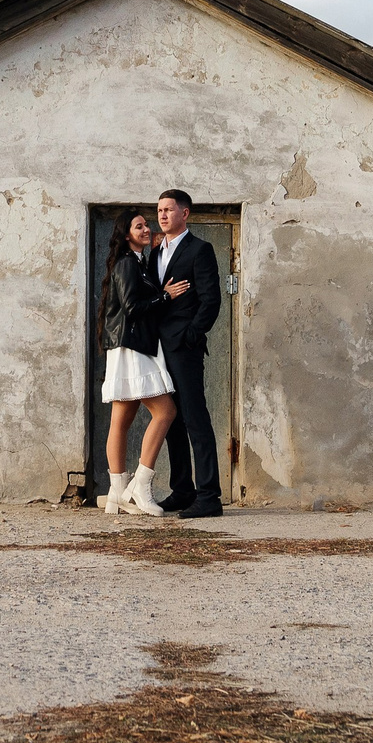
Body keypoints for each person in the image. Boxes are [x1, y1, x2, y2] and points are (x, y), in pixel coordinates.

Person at [97, 209, 189, 515]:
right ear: (126, 235)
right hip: (133, 347)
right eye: (140, 226)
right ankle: (140, 486)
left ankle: (116, 493)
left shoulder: (135, 262)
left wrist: (152, 253)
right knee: (166, 411)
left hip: (128, 345)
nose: (147, 228)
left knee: (120, 421)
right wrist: (165, 296)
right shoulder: (126, 264)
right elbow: (133, 307)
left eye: (147, 225)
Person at [148, 188, 223, 518]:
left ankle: (209, 496)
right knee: (171, 420)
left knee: (195, 418)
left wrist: (191, 335)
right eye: (159, 210)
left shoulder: (200, 250)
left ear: (185, 213)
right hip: (158, 350)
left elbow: (211, 300)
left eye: (168, 209)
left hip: (184, 348)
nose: (162, 215)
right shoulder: (155, 254)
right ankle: (182, 490)